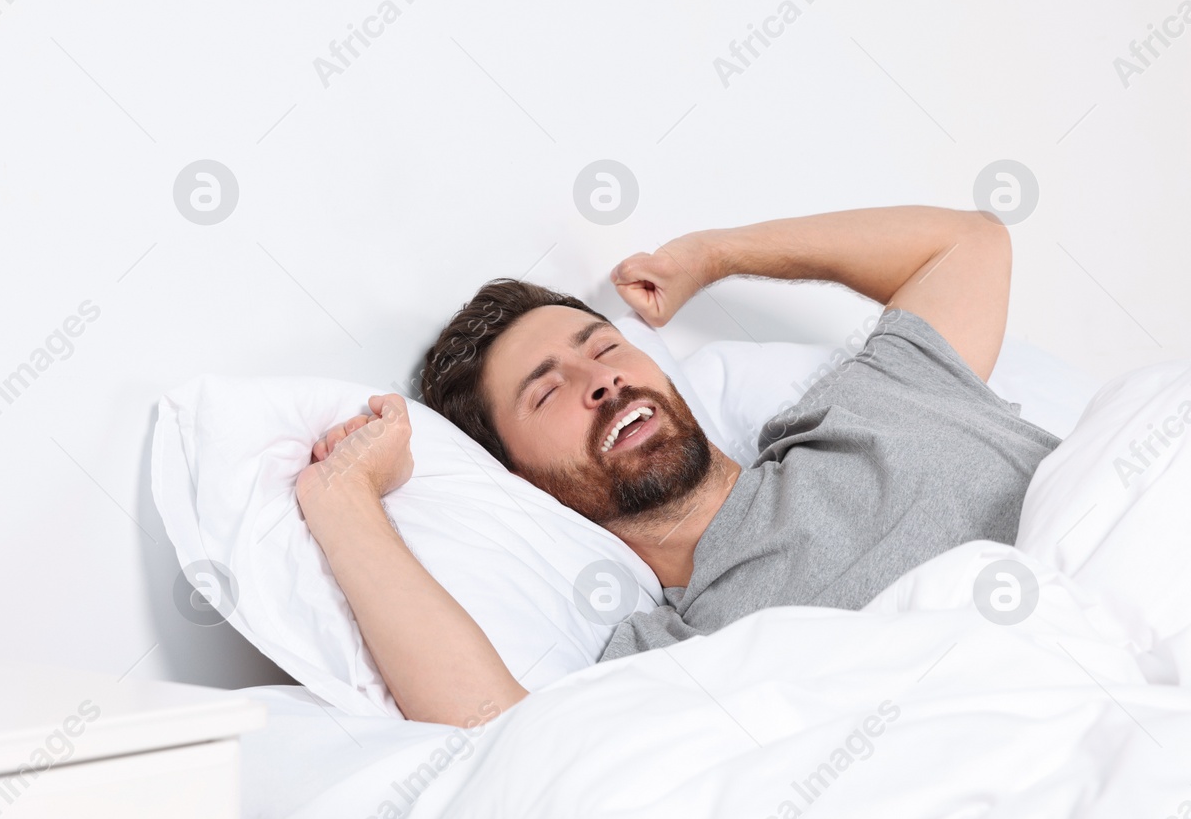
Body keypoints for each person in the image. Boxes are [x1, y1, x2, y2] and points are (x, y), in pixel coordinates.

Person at [294, 206, 1059, 725]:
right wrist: (347, 504)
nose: (602, 379)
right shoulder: (677, 658)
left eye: (603, 348)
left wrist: (717, 255)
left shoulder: (867, 404)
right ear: (519, 479)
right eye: (547, 391)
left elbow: (971, 244)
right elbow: (498, 740)